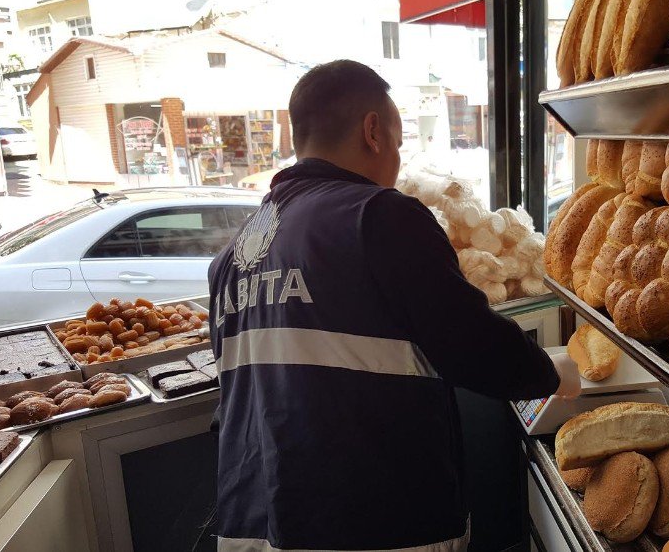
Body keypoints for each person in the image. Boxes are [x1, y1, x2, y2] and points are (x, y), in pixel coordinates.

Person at [208, 59, 579, 552]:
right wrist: (552, 374)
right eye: (400, 143)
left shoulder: (233, 256)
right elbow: (471, 343)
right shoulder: (377, 216)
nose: (398, 160)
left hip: (252, 525)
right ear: (373, 131)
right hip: (372, 524)